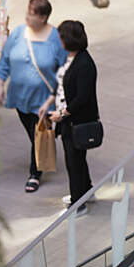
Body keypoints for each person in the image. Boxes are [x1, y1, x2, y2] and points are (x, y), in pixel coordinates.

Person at [0, 0, 68, 193]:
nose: (27, 17)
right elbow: (5, 60)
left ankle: (35, 173)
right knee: (34, 133)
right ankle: (47, 145)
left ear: (43, 18)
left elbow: (64, 70)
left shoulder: (56, 39)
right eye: (27, 12)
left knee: (38, 134)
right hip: (20, 98)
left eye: (32, 14)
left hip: (44, 100)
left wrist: (56, 97)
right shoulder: (18, 33)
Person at [46, 20, 98, 216]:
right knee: (78, 158)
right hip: (71, 119)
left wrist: (62, 114)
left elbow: (82, 98)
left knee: (73, 161)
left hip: (76, 120)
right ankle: (86, 191)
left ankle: (78, 204)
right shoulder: (73, 58)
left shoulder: (84, 65)